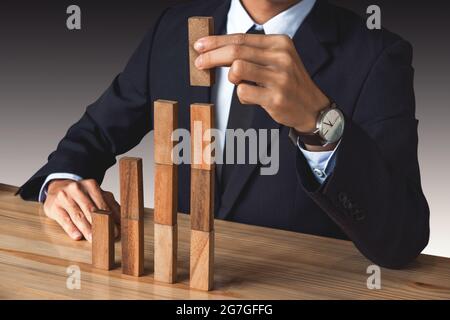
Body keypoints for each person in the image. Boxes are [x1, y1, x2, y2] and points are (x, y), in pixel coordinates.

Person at [18, 0, 429, 268]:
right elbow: (94, 134)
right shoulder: (173, 26)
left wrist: (321, 121)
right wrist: (61, 182)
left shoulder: (378, 55)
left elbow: (402, 238)